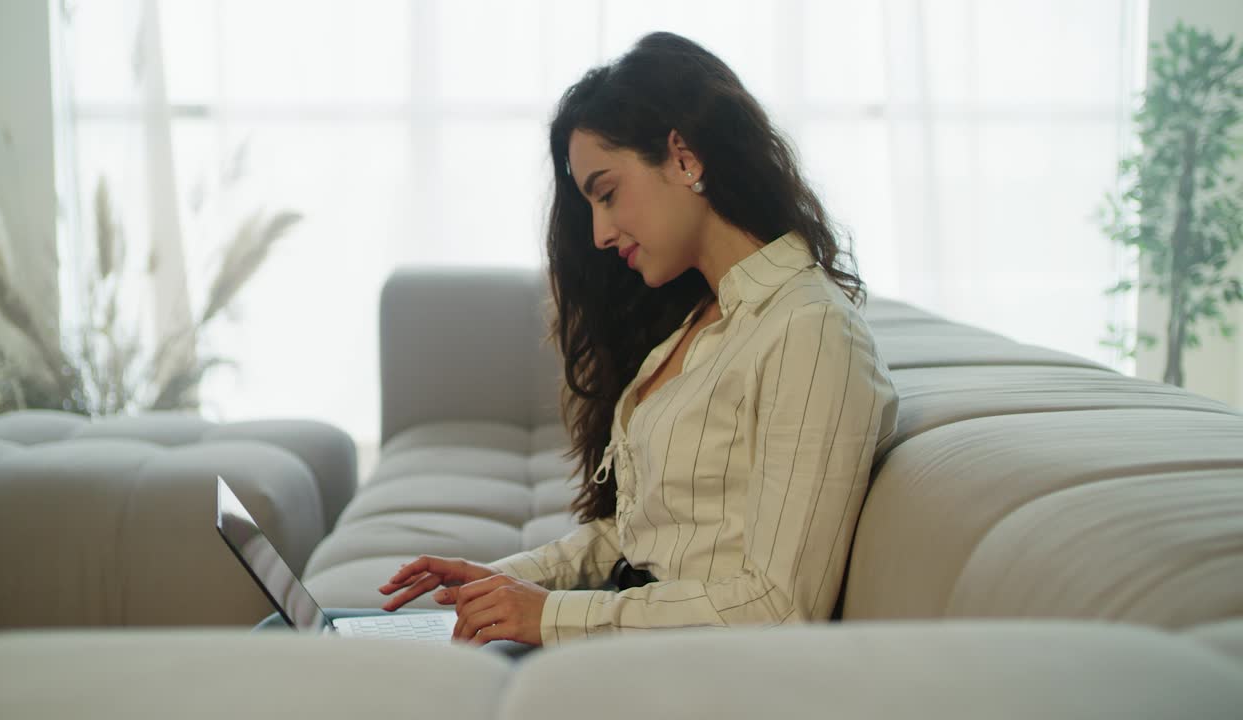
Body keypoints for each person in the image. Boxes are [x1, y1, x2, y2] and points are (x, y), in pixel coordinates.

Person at [377, 30, 899, 651]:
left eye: (607, 193)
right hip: (631, 648)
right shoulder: (702, 319)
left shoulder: (810, 331)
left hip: (676, 674)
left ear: (684, 156)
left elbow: (780, 606)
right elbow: (646, 536)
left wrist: (548, 616)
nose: (599, 232)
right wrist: (504, 583)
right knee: (331, 641)